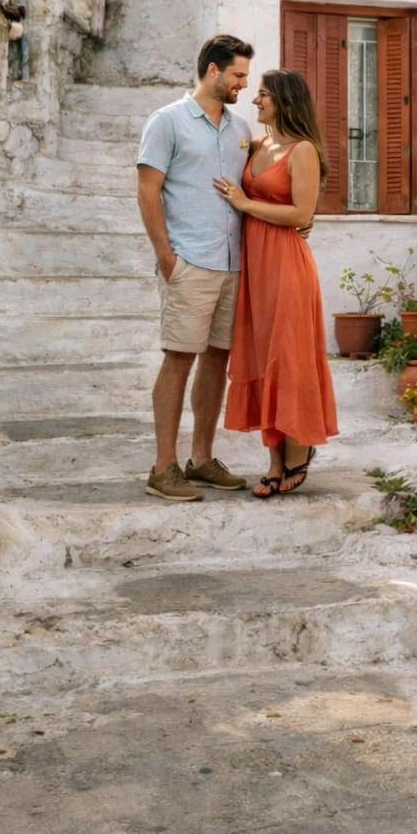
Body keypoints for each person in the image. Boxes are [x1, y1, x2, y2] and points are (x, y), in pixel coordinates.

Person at [136, 34, 255, 502]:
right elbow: (148, 191)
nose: (243, 84)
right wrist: (166, 256)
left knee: (217, 359)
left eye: (245, 76)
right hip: (190, 260)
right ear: (212, 71)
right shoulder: (166, 122)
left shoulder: (240, 126)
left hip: (233, 264)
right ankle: (163, 467)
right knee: (179, 358)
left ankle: (201, 459)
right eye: (238, 75)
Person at [215, 68, 339, 498]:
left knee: (289, 357)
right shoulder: (259, 143)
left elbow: (302, 215)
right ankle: (272, 462)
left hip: (286, 266)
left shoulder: (302, 150)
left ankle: (298, 454)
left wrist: (245, 203)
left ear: (284, 99)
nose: (255, 100)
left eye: (263, 94)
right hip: (256, 268)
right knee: (262, 357)